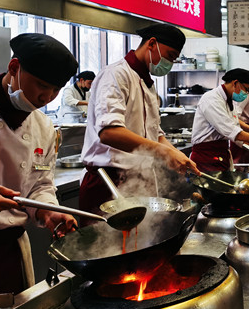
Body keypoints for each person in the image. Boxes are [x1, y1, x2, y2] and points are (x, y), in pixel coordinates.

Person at [0, 33, 79, 309]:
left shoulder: (44, 126)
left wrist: (49, 211)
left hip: (9, 254)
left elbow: (40, 185)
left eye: (55, 90)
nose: (47, 97)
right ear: (14, 68)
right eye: (41, 85)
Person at [80, 23, 200, 216]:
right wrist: (164, 153)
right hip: (109, 182)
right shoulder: (116, 74)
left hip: (139, 180)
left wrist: (178, 156)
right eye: (170, 56)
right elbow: (109, 132)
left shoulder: (148, 83)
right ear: (152, 43)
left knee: (140, 244)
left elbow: (155, 133)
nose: (169, 64)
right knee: (106, 245)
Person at [190, 68, 249, 172]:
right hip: (205, 156)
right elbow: (230, 130)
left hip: (221, 153)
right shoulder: (211, 99)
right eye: (246, 90)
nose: (247, 94)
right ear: (235, 83)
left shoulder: (228, 101)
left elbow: (236, 130)